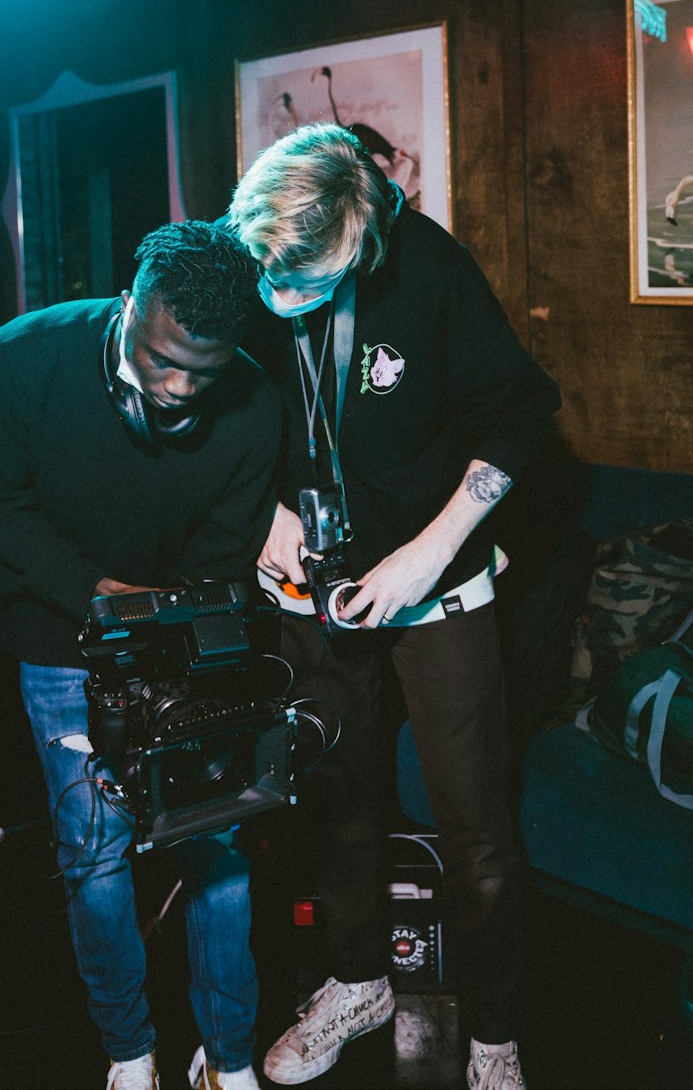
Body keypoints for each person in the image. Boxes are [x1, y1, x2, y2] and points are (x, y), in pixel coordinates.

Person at [227, 125, 561, 1090]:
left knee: (476, 825)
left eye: (306, 280)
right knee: (334, 801)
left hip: (437, 579)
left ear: (364, 233)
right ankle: (356, 980)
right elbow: (212, 408)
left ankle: (495, 1036)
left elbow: (520, 414)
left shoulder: (429, 268)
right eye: (269, 275)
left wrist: (427, 554)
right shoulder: (253, 256)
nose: (279, 297)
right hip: (311, 587)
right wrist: (259, 512)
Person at [0, 221, 283, 1090]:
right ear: (130, 305)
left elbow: (225, 545)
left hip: (187, 639)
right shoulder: (23, 358)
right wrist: (95, 591)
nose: (176, 388)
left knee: (217, 847)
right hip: (55, 636)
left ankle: (230, 1057)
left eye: (200, 373)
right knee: (95, 853)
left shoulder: (253, 404)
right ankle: (128, 1050)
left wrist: (161, 629)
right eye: (158, 359)